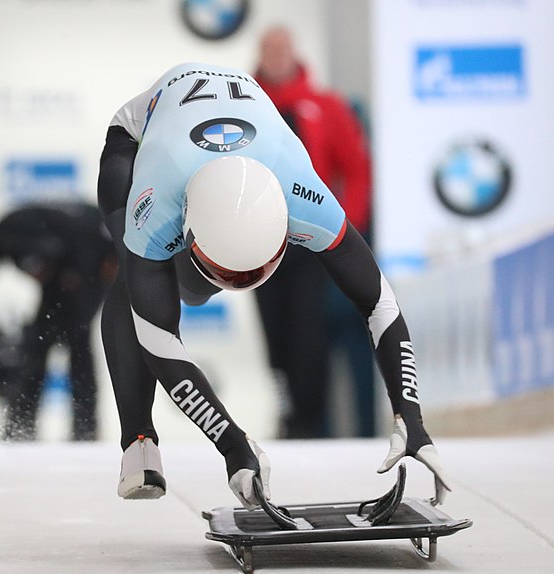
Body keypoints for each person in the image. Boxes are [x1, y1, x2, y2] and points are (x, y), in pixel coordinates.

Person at [97, 61, 451, 509]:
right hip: (139, 140)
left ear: (288, 228)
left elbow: (379, 302)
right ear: (187, 236)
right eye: (227, 272)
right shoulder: (157, 205)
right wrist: (232, 445)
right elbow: (159, 341)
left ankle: (144, 430)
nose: (240, 284)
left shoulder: (305, 196)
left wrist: (411, 418)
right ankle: (138, 441)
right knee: (135, 277)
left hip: (230, 145)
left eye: (253, 273)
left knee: (185, 288)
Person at [253, 26, 375, 438]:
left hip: (309, 242)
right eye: (268, 50)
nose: (275, 57)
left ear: (294, 53)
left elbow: (356, 170)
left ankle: (312, 423)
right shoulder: (247, 107)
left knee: (310, 333)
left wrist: (347, 229)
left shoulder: (325, 105)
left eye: (281, 49)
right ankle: (289, 417)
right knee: (274, 335)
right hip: (258, 242)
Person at [0, 202, 117, 441]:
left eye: (42, 270)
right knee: (37, 345)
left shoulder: (82, 244)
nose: (37, 275)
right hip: (62, 263)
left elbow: (89, 297)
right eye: (32, 272)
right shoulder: (4, 235)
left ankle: (85, 430)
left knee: (78, 340)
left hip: (91, 260)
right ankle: (20, 427)